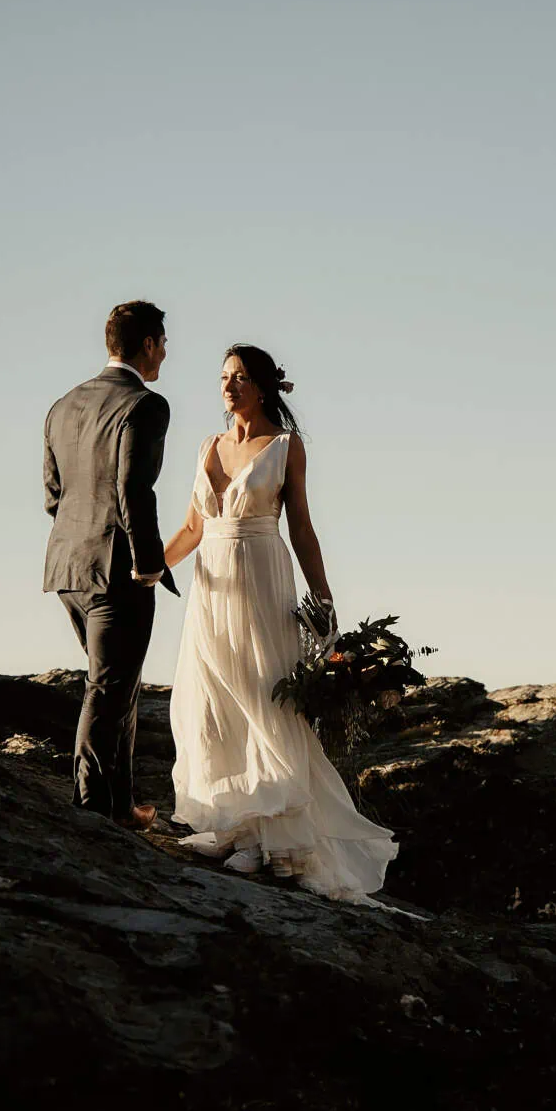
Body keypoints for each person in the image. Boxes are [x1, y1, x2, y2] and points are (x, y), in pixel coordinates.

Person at [162, 343, 398, 902]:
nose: (229, 386)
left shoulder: (286, 448)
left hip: (262, 580)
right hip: (211, 588)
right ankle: (235, 825)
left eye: (240, 377)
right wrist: (146, 569)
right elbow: (193, 528)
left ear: (263, 386)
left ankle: (275, 836)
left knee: (264, 698)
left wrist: (323, 598)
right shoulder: (207, 446)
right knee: (212, 703)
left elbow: (304, 530)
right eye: (223, 377)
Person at [41, 301, 178, 831]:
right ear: (147, 344)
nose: (165, 354)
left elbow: (53, 495)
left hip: (67, 566)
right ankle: (93, 809)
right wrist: (147, 562)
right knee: (108, 687)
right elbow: (132, 488)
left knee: (118, 683)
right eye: (163, 343)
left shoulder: (62, 405)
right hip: (117, 566)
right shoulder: (145, 405)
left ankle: (120, 808)